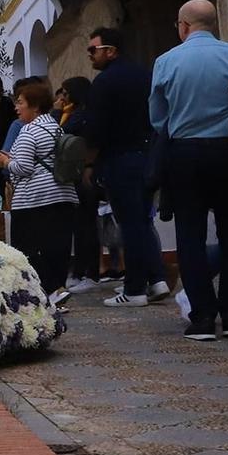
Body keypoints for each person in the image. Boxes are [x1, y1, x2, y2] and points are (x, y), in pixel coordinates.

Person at [151, 0, 228, 341]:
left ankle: (202, 317)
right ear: (214, 23)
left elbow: (158, 118)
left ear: (183, 25)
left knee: (190, 236)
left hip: (185, 153)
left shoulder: (166, 61)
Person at [81, 27, 171, 308]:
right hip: (146, 154)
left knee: (130, 224)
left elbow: (96, 129)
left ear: (111, 50)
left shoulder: (104, 83)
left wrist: (89, 162)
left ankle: (134, 289)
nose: (90, 56)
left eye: (93, 50)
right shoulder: (145, 75)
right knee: (142, 221)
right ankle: (156, 279)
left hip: (119, 158)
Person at [0, 83, 78, 306]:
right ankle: (58, 291)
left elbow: (23, 168)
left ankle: (50, 289)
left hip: (34, 199)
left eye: (20, 102)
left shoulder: (28, 130)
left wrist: (5, 161)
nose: (16, 107)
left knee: (28, 247)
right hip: (63, 195)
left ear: (35, 106)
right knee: (57, 247)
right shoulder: (56, 127)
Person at [53, 77, 105, 293]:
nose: (61, 97)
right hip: (76, 175)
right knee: (81, 224)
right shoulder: (76, 114)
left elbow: (57, 134)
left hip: (84, 176)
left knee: (85, 225)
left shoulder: (80, 117)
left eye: (65, 92)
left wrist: (56, 113)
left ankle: (89, 272)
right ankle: (82, 270)